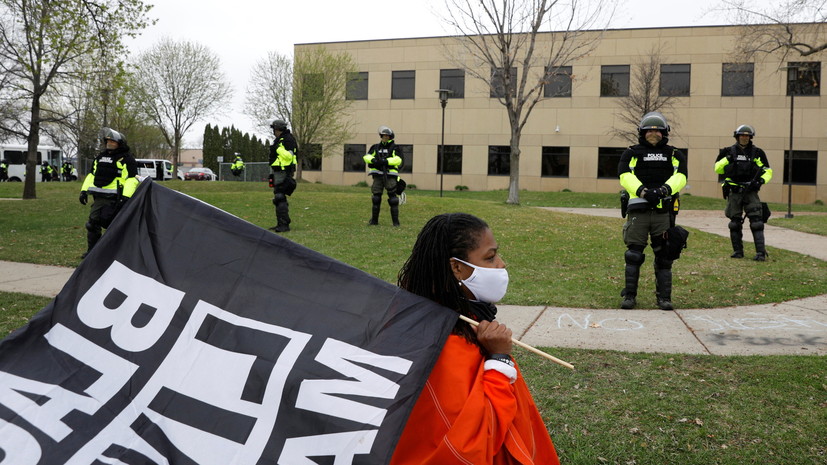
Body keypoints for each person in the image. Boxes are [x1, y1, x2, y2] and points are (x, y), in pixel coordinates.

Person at [391, 213, 560, 465]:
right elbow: (475, 440)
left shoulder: (453, 315)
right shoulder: (446, 345)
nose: (501, 264)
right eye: (490, 258)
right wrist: (500, 360)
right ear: (456, 267)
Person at [618, 112, 688, 310]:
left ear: (665, 133)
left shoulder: (675, 154)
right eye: (649, 131)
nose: (653, 134)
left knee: (664, 257)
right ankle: (630, 296)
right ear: (642, 132)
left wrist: (664, 190)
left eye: (658, 131)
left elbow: (681, 176)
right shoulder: (631, 153)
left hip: (663, 212)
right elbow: (624, 175)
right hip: (638, 211)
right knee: (633, 255)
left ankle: (664, 298)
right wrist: (643, 191)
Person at [714, 124, 773, 261]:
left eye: (747, 135)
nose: (744, 138)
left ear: (750, 137)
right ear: (737, 136)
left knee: (757, 222)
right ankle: (738, 252)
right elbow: (717, 169)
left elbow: (768, 171)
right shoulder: (727, 151)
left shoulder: (758, 153)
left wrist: (760, 181)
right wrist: (728, 159)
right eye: (742, 135)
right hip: (734, 191)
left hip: (750, 191)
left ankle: (760, 253)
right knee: (734, 223)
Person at [79, 128, 139, 258]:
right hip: (99, 198)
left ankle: (118, 254)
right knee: (92, 224)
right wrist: (83, 191)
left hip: (115, 199)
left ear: (120, 143)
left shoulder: (127, 159)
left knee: (114, 226)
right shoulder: (100, 157)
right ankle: (92, 252)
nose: (109, 143)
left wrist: (126, 197)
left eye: (113, 141)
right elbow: (91, 175)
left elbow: (131, 179)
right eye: (108, 141)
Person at [363, 126, 403, 226]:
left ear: (390, 137)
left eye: (387, 136)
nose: (385, 137)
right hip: (377, 176)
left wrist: (386, 161)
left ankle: (395, 223)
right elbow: (366, 156)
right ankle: (374, 221)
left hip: (390, 175)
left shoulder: (395, 147)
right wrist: (373, 160)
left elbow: (398, 159)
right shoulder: (375, 147)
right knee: (376, 198)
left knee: (393, 199)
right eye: (383, 135)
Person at [268, 119, 297, 232]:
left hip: (284, 171)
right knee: (278, 196)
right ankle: (281, 223)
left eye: (274, 129)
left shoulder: (288, 139)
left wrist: (278, 149)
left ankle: (284, 224)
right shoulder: (280, 139)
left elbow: (289, 156)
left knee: (280, 197)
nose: (273, 132)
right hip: (278, 170)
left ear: (278, 129)